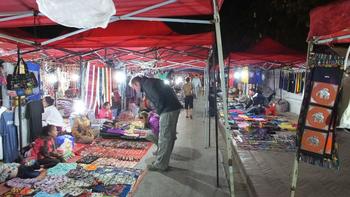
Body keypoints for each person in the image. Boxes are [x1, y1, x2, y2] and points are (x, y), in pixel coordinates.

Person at [129, 76, 182, 171]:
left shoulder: (147, 84)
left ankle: (160, 164)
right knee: (169, 136)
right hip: (172, 108)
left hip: (168, 110)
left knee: (165, 137)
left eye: (134, 87)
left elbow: (158, 99)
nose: (135, 90)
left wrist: (159, 112)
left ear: (136, 83)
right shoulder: (149, 82)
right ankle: (163, 161)